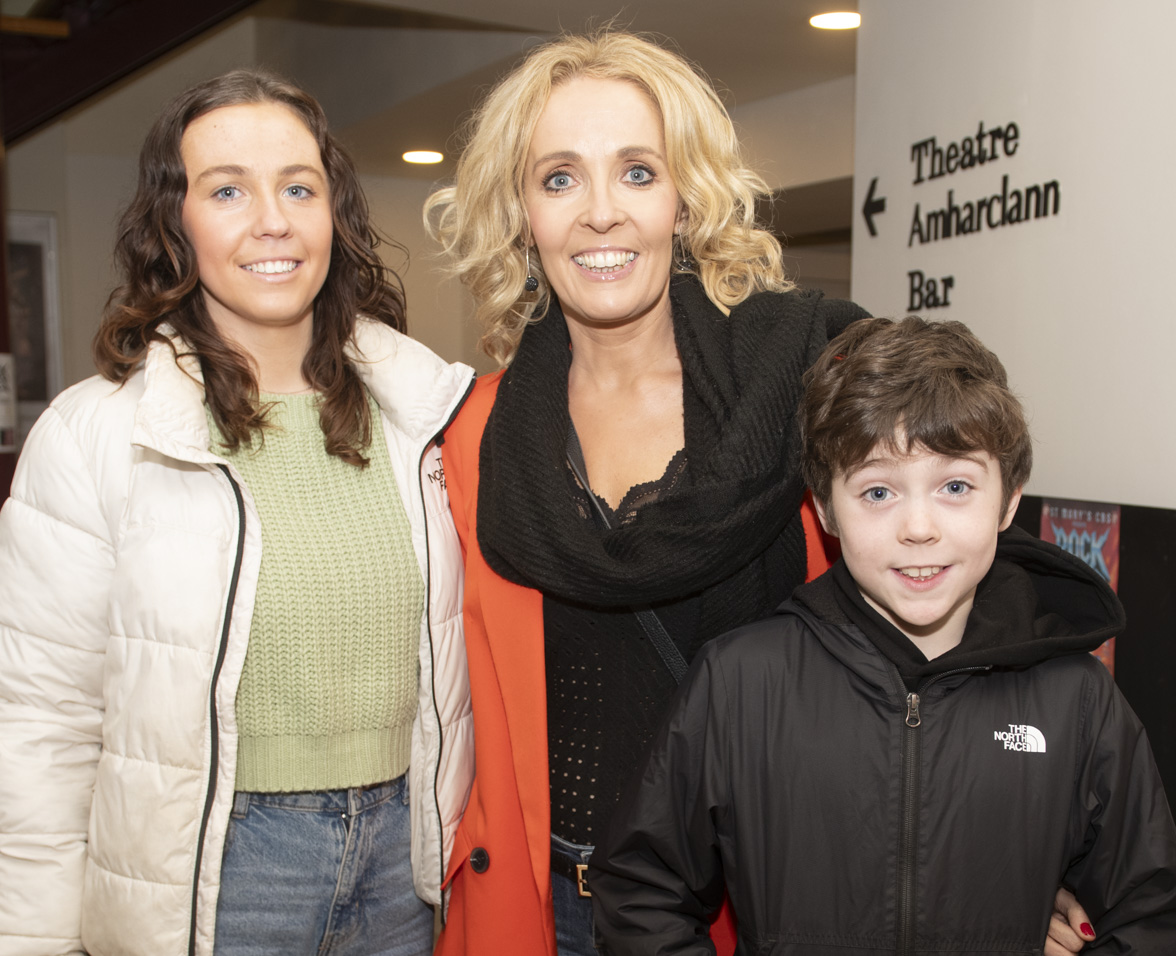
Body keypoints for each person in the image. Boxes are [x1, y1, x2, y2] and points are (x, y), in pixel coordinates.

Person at [426, 31, 1093, 956]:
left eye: (638, 172)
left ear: (685, 198)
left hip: (770, 895)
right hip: (546, 901)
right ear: (521, 211)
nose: (601, 213)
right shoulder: (480, 434)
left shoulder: (801, 378)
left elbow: (973, 586)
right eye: (560, 178)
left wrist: (1022, 838)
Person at [0, 70, 475, 956]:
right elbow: (40, 727)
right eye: (227, 191)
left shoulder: (428, 414)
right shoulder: (94, 434)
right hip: (218, 875)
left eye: (299, 188)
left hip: (406, 863)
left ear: (335, 213)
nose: (273, 221)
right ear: (173, 224)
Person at [589, 316, 1176, 954]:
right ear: (824, 507)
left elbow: (1148, 911)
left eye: (956, 486)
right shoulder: (741, 682)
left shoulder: (1077, 699)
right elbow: (643, 890)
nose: (918, 527)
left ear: (1008, 500)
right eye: (877, 492)